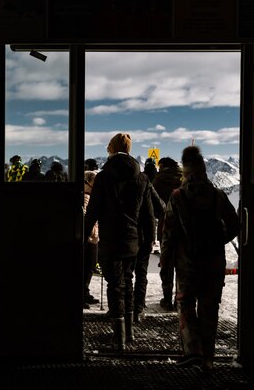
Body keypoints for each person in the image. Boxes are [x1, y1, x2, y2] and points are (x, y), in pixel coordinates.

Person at [160, 146, 239, 371]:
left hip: (187, 262)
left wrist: (165, 261)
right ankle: (208, 360)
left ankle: (192, 349)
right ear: (204, 169)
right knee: (209, 307)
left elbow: (169, 233)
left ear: (185, 171)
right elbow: (235, 225)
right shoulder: (218, 196)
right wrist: (218, 241)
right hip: (214, 262)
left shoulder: (177, 197)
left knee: (185, 304)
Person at [83, 133, 155, 352]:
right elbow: (148, 214)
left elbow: (93, 209)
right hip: (133, 240)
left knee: (115, 285)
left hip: (110, 240)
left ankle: (119, 337)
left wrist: (84, 234)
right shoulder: (142, 178)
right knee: (128, 281)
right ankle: (130, 331)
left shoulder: (104, 177)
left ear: (112, 149)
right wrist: (150, 239)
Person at [132, 180, 165, 323]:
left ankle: (120, 312)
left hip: (119, 235)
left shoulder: (107, 178)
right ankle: (138, 309)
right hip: (144, 235)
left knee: (121, 275)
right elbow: (161, 207)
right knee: (141, 272)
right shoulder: (143, 181)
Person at [153, 156, 183, 309]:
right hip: (185, 228)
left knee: (167, 264)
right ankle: (180, 299)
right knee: (182, 264)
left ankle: (166, 299)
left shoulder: (158, 180)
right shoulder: (184, 178)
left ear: (163, 166)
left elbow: (154, 204)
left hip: (166, 225)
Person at [83, 170, 100, 309]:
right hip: (88, 237)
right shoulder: (85, 197)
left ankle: (85, 291)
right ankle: (82, 294)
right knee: (86, 266)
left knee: (90, 266)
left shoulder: (92, 197)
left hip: (93, 237)